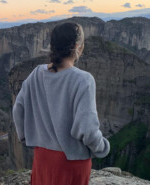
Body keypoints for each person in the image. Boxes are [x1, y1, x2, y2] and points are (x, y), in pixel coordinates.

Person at [12, 22, 110, 185]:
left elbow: (18, 110)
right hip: (71, 163)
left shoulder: (37, 73)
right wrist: (102, 148)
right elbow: (88, 130)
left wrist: (25, 137)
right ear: (78, 47)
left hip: (42, 159)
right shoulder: (83, 80)